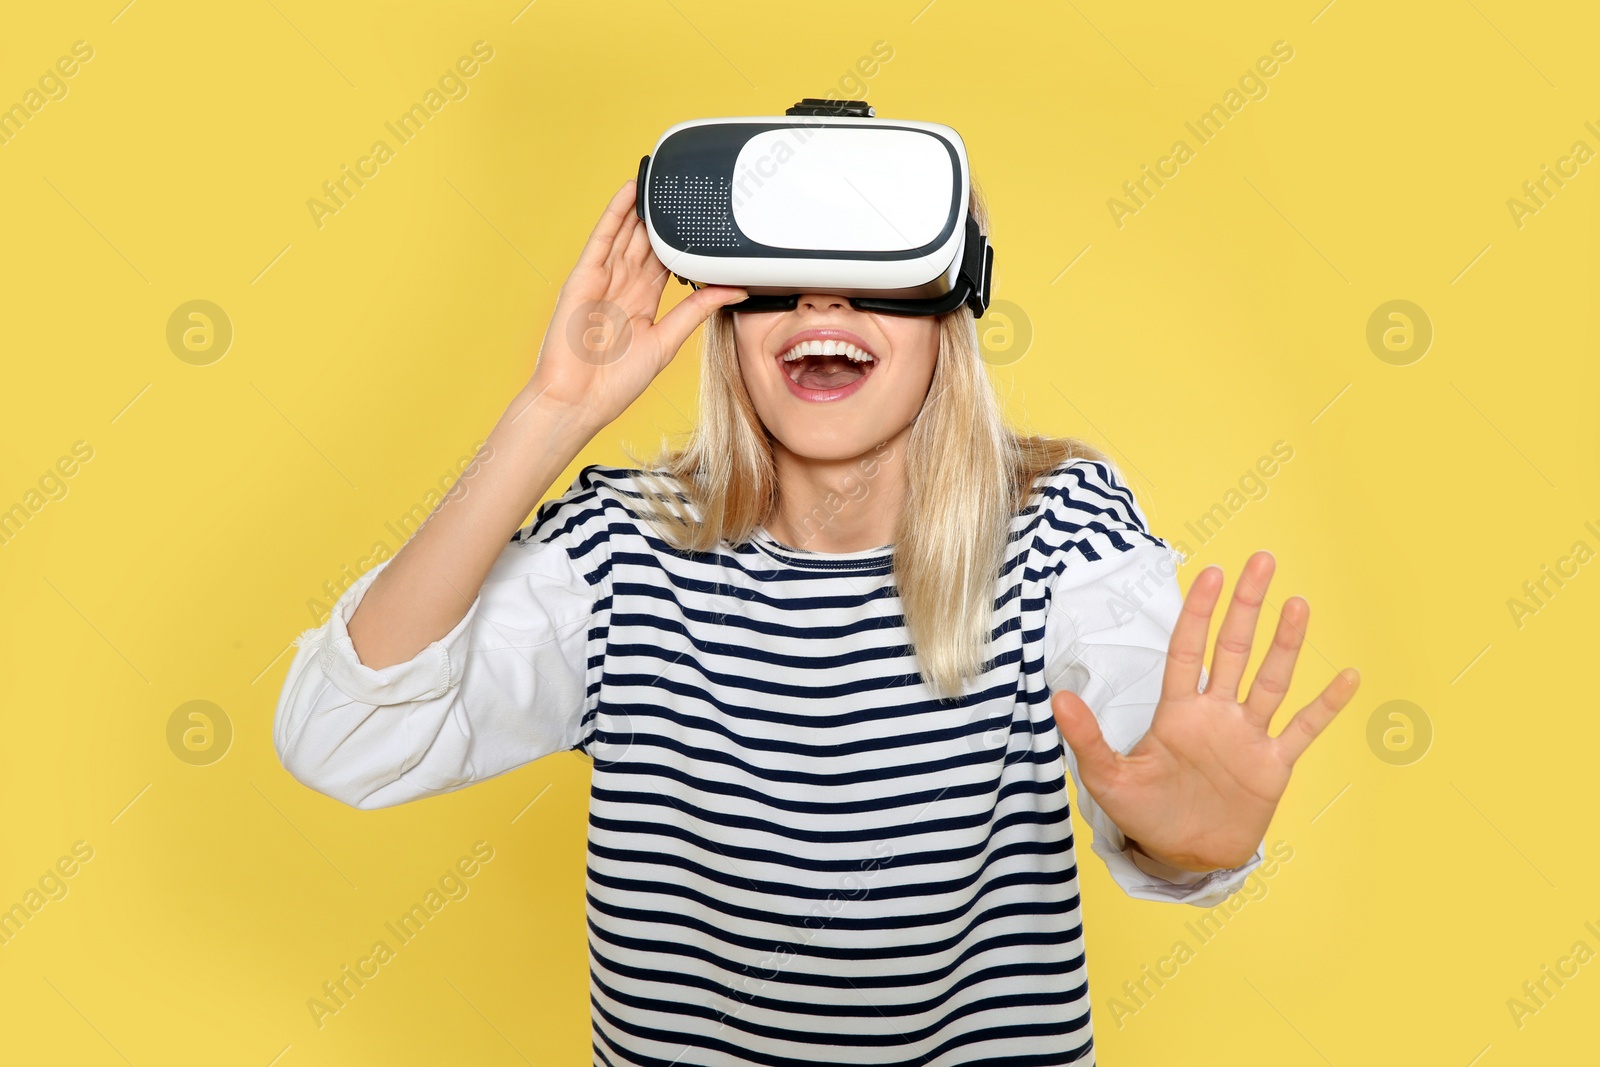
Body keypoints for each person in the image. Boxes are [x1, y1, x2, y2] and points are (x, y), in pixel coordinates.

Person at [273, 176, 1360, 1065]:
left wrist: (1177, 834)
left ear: (949, 311)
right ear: (728, 322)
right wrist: (549, 414)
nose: (822, 308)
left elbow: (1138, 715)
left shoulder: (1060, 525)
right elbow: (344, 737)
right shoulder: (624, 546)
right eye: (780, 280)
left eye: (877, 272)